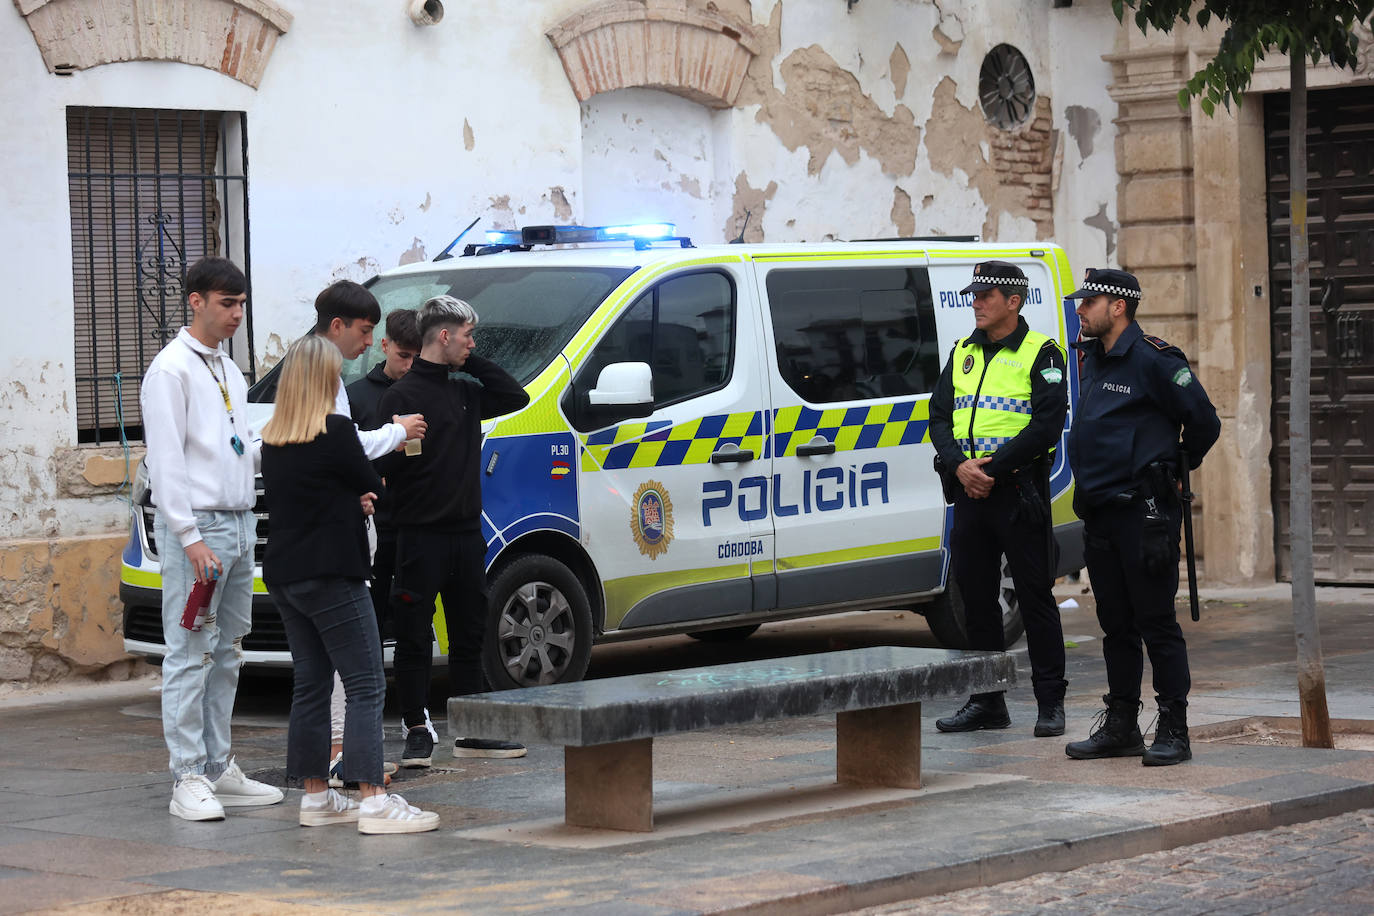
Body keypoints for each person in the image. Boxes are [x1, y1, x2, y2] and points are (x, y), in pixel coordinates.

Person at [261, 335, 439, 834]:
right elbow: (371, 482)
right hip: (334, 570)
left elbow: (309, 497)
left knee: (312, 682)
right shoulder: (336, 429)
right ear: (324, 380)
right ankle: (374, 799)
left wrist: (348, 497)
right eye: (337, 372)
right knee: (365, 682)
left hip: (285, 573)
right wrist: (356, 496)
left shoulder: (273, 437)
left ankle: (316, 797)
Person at [140, 256, 284, 820]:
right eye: (228, 303)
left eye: (242, 304)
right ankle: (186, 777)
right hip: (198, 530)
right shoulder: (170, 369)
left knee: (228, 650)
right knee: (188, 652)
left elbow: (240, 442)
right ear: (195, 301)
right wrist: (189, 534)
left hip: (241, 523)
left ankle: (220, 768)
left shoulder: (228, 369)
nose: (237, 314)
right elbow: (167, 460)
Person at [1063, 268, 1220, 767]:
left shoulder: (1155, 359)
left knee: (1156, 622)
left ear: (1118, 306)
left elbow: (1205, 422)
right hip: (1101, 512)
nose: (1080, 309)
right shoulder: (1089, 358)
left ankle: (1174, 726)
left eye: (1089, 302)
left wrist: (1176, 467)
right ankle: (1122, 725)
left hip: (1144, 513)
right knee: (1115, 626)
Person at [377, 295, 531, 767]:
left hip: (466, 533)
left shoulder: (465, 391)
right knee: (415, 636)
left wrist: (470, 357)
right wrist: (402, 441)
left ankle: (473, 727)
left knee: (470, 631)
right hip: (418, 536)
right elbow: (378, 462)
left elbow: (515, 396)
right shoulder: (399, 398)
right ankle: (417, 729)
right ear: (443, 336)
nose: (473, 344)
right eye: (466, 335)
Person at [929, 260, 1070, 737]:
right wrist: (959, 466)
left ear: (1013, 301)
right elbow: (939, 418)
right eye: (974, 295)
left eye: (985, 295)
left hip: (1016, 493)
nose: (976, 302)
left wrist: (993, 467)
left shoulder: (1042, 354)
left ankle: (1051, 702)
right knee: (976, 599)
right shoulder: (963, 352)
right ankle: (987, 700)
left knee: (1034, 598)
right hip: (970, 493)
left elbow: (1047, 426)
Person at [314, 283, 425, 786]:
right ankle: (353, 767)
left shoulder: (318, 368)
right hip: (335, 539)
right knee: (358, 668)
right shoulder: (322, 371)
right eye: (363, 332)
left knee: (327, 667)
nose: (366, 343)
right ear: (338, 326)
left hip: (329, 531)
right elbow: (341, 444)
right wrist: (399, 431)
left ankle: (323, 774)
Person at [346, 307, 421, 636]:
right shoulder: (354, 395)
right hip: (375, 522)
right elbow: (347, 456)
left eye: (416, 359)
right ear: (384, 345)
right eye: (403, 356)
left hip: (418, 521)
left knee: (414, 618)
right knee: (370, 617)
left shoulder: (423, 391)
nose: (409, 366)